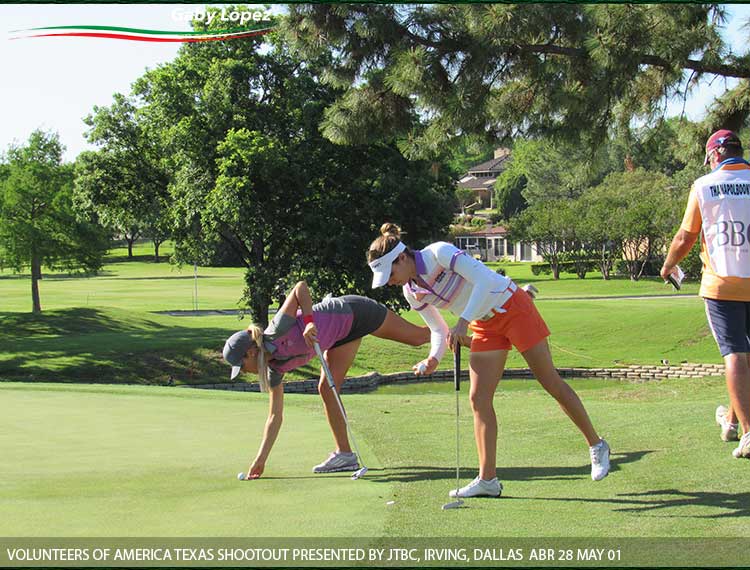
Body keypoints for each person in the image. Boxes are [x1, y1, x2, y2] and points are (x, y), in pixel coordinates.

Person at [367, 223, 610, 498]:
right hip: (484, 325)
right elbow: (438, 329)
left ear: (402, 258)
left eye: (390, 274)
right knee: (478, 398)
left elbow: (483, 280)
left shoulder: (439, 253)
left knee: (549, 380)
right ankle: (488, 479)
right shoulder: (411, 292)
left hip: (513, 307)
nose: (390, 281)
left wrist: (463, 321)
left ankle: (596, 445)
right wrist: (433, 358)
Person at [223, 280, 430, 478]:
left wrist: (308, 323)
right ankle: (345, 455)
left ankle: (450, 332)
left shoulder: (277, 330)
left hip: (354, 312)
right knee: (327, 389)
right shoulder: (274, 371)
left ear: (251, 353)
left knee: (419, 338)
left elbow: (300, 288)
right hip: (341, 338)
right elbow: (274, 417)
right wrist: (260, 459)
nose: (244, 372)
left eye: (242, 366)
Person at [661, 129, 750, 459]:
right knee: (746, 356)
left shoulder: (704, 185)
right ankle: (731, 421)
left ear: (714, 155)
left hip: (721, 283)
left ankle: (748, 432)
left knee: (734, 354)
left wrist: (668, 265)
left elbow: (686, 236)